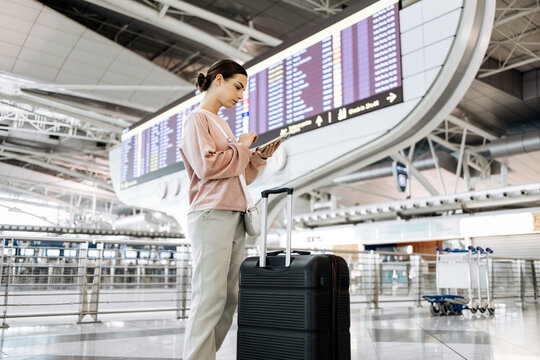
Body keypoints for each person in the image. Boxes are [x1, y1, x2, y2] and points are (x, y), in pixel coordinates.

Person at [178, 59, 280, 360]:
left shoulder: (222, 124)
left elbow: (238, 175)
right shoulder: (198, 119)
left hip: (233, 214)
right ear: (218, 80)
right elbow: (208, 166)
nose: (240, 95)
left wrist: (256, 158)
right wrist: (242, 148)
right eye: (238, 86)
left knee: (227, 299)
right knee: (209, 296)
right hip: (211, 214)